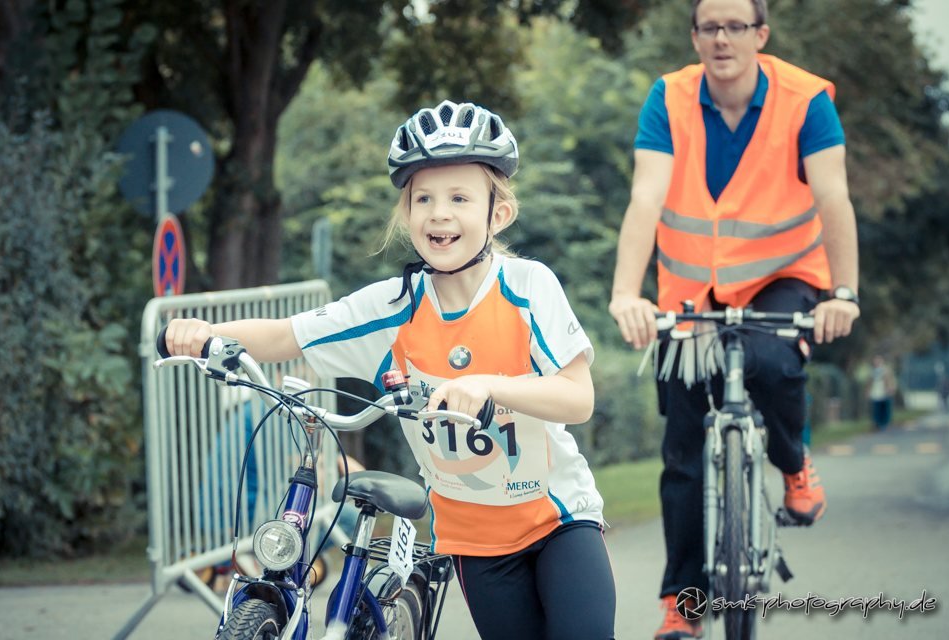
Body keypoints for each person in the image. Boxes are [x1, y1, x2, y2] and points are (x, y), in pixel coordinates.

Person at [163, 100, 616, 640]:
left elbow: (577, 396)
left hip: (558, 522)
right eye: (422, 198)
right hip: (474, 543)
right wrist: (208, 333)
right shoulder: (389, 309)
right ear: (406, 214)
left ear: (498, 214)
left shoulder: (528, 288)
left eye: (459, 198)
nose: (439, 213)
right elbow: (287, 335)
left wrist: (486, 385)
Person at [607, 1, 860, 638]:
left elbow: (833, 196)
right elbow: (646, 196)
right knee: (683, 446)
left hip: (785, 276)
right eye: (710, 27)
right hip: (691, 286)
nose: (722, 38)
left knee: (775, 364)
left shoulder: (806, 101)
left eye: (736, 26)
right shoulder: (668, 98)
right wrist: (624, 294)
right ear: (694, 37)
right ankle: (683, 603)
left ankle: (794, 462)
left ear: (760, 35)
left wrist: (846, 294)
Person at [868, 355, 896, 431]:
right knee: (876, 409)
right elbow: (869, 383)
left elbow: (890, 380)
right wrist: (868, 391)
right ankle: (876, 423)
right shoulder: (872, 371)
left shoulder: (886, 370)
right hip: (875, 393)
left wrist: (890, 389)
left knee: (884, 409)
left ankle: (884, 424)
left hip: (884, 392)